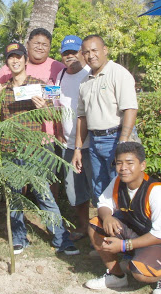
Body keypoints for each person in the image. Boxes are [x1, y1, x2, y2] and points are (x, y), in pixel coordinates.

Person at [0, 42, 79, 256]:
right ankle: (19, 239)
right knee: (15, 197)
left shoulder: (39, 85)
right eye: (11, 57)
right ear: (7, 62)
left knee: (44, 196)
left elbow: (51, 116)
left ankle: (62, 240)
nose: (15, 60)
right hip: (9, 149)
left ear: (25, 60)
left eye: (18, 56)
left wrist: (43, 106)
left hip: (33, 151)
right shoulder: (2, 88)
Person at [85, 142, 161, 294]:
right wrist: (108, 217)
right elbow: (103, 203)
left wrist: (124, 245)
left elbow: (160, 234)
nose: (123, 167)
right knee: (95, 224)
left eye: (130, 163)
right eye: (119, 163)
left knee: (139, 273)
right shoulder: (118, 182)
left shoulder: (157, 191)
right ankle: (116, 276)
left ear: (142, 165)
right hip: (137, 232)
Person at [0, 28, 65, 203]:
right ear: (28, 45)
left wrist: (58, 128)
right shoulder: (11, 66)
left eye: (45, 45)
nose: (40, 47)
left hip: (47, 137)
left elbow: (58, 100)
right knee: (18, 182)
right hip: (17, 138)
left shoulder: (57, 67)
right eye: (36, 43)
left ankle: (50, 217)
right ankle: (22, 212)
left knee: (49, 179)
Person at [72, 34, 138, 200]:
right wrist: (78, 149)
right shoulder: (85, 82)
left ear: (105, 50)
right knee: (100, 189)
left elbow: (130, 109)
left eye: (94, 50)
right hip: (95, 141)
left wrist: (122, 144)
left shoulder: (118, 74)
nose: (91, 55)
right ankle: (105, 223)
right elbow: (82, 117)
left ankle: (125, 225)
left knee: (122, 189)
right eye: (86, 52)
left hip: (116, 138)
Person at [55, 35, 96, 239]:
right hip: (69, 146)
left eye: (74, 52)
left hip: (92, 144)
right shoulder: (60, 76)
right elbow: (55, 108)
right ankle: (83, 227)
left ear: (82, 53)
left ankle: (102, 230)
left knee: (97, 189)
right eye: (66, 53)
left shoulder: (91, 74)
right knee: (75, 191)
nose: (70, 56)